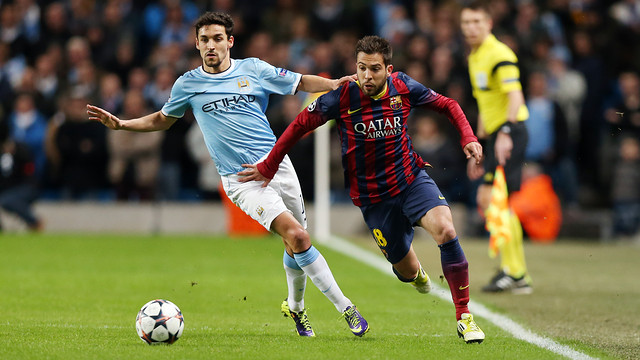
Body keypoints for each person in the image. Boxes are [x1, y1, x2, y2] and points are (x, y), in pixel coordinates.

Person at [87, 11, 368, 338]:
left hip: (276, 164)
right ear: (196, 44)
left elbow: (299, 82)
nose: (211, 45)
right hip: (242, 180)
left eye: (217, 38)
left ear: (229, 41)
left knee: (296, 244)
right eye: (204, 39)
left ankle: (296, 306)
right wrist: (123, 124)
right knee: (299, 237)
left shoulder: (253, 69)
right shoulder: (188, 84)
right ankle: (346, 308)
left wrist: (333, 84)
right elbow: (163, 119)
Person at [239, 35, 485, 344]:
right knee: (407, 271)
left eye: (374, 69)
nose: (367, 76)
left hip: (410, 180)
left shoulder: (403, 86)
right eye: (361, 68)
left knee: (446, 231)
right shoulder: (341, 96)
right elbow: (299, 125)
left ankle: (464, 317)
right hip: (374, 200)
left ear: (388, 69)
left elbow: (448, 104)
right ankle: (417, 274)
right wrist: (269, 166)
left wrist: (468, 136)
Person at [460, 1, 532, 294]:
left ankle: (516, 274)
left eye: (476, 21)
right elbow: (485, 103)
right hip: (495, 135)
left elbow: (515, 96)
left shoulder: (499, 54)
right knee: (490, 199)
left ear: (489, 23)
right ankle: (512, 270)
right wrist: (478, 144)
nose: (471, 27)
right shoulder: (475, 56)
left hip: (511, 132)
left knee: (497, 200)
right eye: (466, 23)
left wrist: (504, 133)